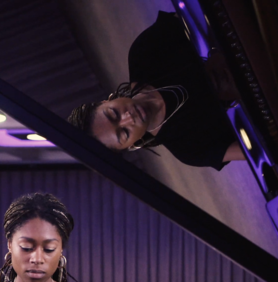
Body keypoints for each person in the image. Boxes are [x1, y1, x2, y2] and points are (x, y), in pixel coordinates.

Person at [67, 11, 244, 170]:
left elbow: (201, 11)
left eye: (114, 113)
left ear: (106, 101)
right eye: (124, 132)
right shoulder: (189, 149)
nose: (129, 118)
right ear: (129, 145)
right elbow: (261, 149)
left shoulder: (143, 53)